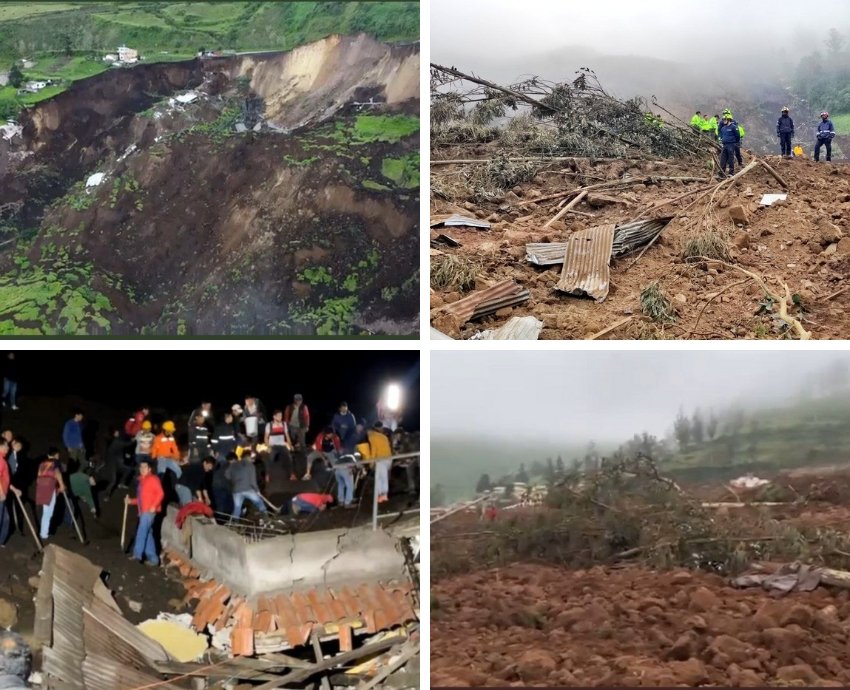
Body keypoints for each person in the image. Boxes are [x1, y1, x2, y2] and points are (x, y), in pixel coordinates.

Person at [125, 458, 164, 566]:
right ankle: (154, 559)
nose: (142, 469)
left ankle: (137, 554)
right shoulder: (142, 481)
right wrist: (131, 501)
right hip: (143, 511)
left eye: (144, 467)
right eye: (141, 467)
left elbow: (160, 493)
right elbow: (140, 499)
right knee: (148, 534)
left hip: (148, 512)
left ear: (149, 468)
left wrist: (154, 506)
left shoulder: (153, 479)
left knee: (141, 531)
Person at [225, 450, 267, 519]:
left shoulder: (234, 464)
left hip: (236, 490)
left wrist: (235, 479)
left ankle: (234, 525)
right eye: (251, 458)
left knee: (237, 508)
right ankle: (266, 518)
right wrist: (257, 491)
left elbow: (227, 476)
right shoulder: (251, 465)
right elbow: (253, 481)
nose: (252, 459)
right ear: (248, 457)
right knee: (259, 502)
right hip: (248, 489)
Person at [35, 448, 65, 541]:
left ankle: (43, 532)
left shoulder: (42, 464)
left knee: (45, 511)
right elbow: (57, 473)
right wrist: (62, 485)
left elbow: (38, 476)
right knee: (48, 512)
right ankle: (44, 533)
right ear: (56, 455)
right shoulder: (55, 462)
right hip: (49, 486)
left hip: (41, 486)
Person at [366, 422, 393, 504]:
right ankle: (383, 494)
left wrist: (371, 462)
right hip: (388, 458)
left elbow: (374, 450)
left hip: (380, 459)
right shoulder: (383, 436)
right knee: (383, 477)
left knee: (379, 478)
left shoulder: (372, 437)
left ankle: (381, 495)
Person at [0, 440, 21, 547]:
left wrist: (13, 489)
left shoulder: (3, 460)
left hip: (3, 495)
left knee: (5, 520)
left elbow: (5, 479)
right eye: (6, 446)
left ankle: (1, 542)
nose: (8, 448)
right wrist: (1, 492)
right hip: (0, 496)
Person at [264, 410, 293, 479]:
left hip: (282, 445)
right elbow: (265, 437)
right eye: (279, 416)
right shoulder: (269, 425)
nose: (280, 417)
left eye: (281, 416)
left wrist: (290, 445)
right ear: (274, 417)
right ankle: (267, 475)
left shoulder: (284, 424)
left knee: (289, 457)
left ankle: (292, 474)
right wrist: (268, 446)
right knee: (269, 459)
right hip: (273, 445)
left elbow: (287, 436)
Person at [717, 113, 740, 178]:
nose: (723, 121)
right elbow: (721, 135)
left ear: (729, 120)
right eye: (723, 119)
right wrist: (721, 139)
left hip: (731, 144)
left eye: (725, 119)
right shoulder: (723, 128)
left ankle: (731, 173)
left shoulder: (734, 127)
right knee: (723, 158)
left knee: (730, 158)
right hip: (724, 145)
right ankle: (721, 172)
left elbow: (737, 136)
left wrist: (734, 142)